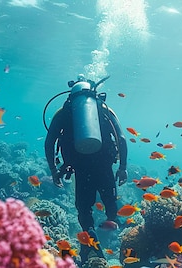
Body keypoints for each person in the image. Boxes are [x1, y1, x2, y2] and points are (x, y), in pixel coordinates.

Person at [44, 74, 128, 263]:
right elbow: (121, 139)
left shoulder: (64, 112)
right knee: (110, 203)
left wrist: (53, 170)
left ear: (71, 94)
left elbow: (49, 142)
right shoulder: (103, 108)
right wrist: (122, 167)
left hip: (79, 168)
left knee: (84, 208)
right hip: (104, 165)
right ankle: (114, 235)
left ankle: (90, 245)